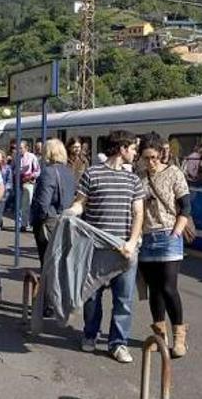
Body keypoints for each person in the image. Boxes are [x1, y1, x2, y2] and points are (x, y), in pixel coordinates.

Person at [65, 129, 145, 364]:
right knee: (92, 296)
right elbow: (81, 204)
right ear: (122, 149)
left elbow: (138, 213)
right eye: (132, 149)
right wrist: (71, 212)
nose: (134, 153)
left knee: (124, 299)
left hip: (124, 249)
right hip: (96, 248)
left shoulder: (133, 179)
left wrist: (131, 242)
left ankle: (118, 343)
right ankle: (90, 334)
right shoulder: (92, 174)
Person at [137, 134, 191, 358]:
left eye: (153, 157)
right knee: (155, 290)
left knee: (169, 287)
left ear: (160, 154)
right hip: (147, 238)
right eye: (145, 158)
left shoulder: (173, 173)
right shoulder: (138, 176)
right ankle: (160, 334)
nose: (149, 162)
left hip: (169, 236)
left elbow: (185, 206)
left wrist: (176, 231)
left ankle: (180, 336)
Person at [31, 139, 76, 267]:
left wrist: (37, 220)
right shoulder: (69, 172)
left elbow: (43, 203)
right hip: (67, 220)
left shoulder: (48, 172)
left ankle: (48, 286)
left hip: (50, 222)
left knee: (47, 262)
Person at [17, 140, 41, 231]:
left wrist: (31, 176)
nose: (19, 150)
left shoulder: (32, 157)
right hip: (18, 182)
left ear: (26, 148)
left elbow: (37, 170)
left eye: (21, 148)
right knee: (19, 205)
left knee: (27, 204)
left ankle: (25, 223)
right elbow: (13, 168)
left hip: (28, 183)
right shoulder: (16, 157)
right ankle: (20, 223)